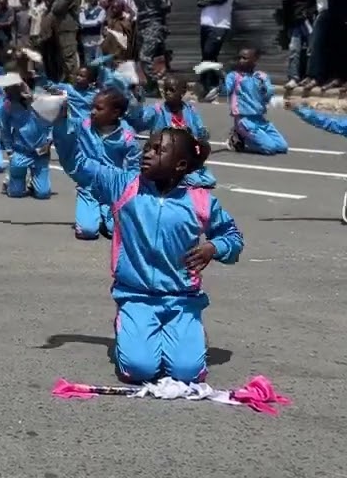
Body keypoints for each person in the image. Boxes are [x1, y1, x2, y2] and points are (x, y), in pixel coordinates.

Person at [52, 116, 243, 384]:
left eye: (158, 150)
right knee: (138, 370)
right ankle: (129, 328)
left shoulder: (200, 201)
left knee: (188, 374)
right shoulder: (124, 186)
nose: (147, 154)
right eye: (148, 148)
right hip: (136, 296)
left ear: (180, 165)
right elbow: (78, 165)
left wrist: (214, 247)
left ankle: (187, 334)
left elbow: (232, 237)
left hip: (182, 300)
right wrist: (61, 124)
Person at [65, 88, 141, 240]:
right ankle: (92, 211)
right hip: (89, 187)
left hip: (112, 189)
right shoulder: (84, 125)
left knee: (116, 231)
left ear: (115, 113)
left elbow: (135, 168)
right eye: (92, 107)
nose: (93, 111)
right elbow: (63, 127)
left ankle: (105, 212)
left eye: (98, 108)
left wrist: (128, 191)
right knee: (86, 231)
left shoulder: (126, 137)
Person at [123, 75, 217, 189]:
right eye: (165, 90)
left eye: (171, 90)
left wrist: (197, 135)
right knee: (193, 181)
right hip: (163, 158)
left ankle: (179, 177)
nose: (167, 93)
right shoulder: (157, 110)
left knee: (208, 180)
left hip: (184, 159)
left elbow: (202, 132)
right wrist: (135, 102)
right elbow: (137, 121)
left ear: (183, 92)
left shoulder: (190, 110)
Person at [221, 49, 288, 155]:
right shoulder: (234, 76)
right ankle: (238, 136)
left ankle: (245, 136)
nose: (241, 61)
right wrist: (219, 80)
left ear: (254, 61)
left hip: (260, 119)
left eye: (245, 58)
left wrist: (265, 89)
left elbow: (268, 95)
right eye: (239, 58)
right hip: (244, 120)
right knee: (270, 149)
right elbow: (224, 91)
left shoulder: (261, 76)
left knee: (282, 147)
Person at [2, 84, 53, 199]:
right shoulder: (8, 105)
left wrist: (49, 142)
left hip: (40, 151)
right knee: (15, 193)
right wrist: (10, 151)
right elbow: (4, 128)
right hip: (21, 151)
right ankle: (10, 180)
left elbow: (53, 122)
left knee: (43, 194)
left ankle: (33, 182)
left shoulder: (42, 99)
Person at [198, 0, 238, 101]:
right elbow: (199, 0)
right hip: (206, 22)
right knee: (207, 56)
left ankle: (220, 82)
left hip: (220, 24)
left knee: (209, 53)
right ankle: (210, 86)